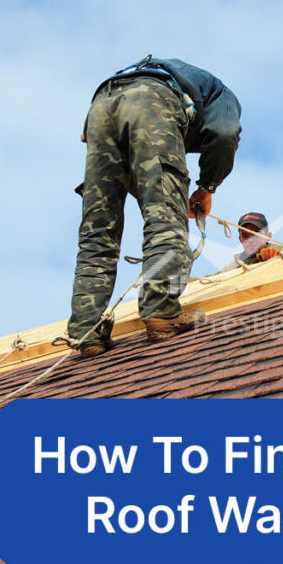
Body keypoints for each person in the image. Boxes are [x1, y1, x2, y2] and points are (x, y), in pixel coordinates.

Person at [69, 55, 241, 357]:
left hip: (100, 108)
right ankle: (161, 311)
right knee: (166, 218)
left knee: (98, 230)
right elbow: (224, 134)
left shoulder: (179, 78)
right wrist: (207, 188)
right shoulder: (222, 95)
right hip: (151, 99)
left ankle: (87, 331)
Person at [217, 212, 283, 272]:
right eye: (245, 236)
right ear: (240, 239)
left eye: (255, 234)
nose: (250, 240)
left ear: (268, 236)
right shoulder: (237, 263)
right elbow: (212, 279)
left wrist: (281, 257)